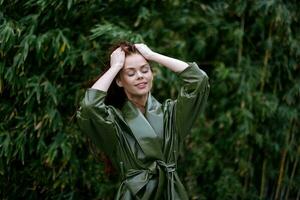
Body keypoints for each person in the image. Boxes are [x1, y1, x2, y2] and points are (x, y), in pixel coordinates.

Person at [76, 42, 210, 199]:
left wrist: (153, 55)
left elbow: (199, 80)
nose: (140, 76)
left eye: (145, 70)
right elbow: (89, 106)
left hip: (170, 194)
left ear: (152, 74)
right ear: (119, 81)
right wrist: (115, 68)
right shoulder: (114, 122)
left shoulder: (172, 115)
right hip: (135, 195)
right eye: (131, 73)